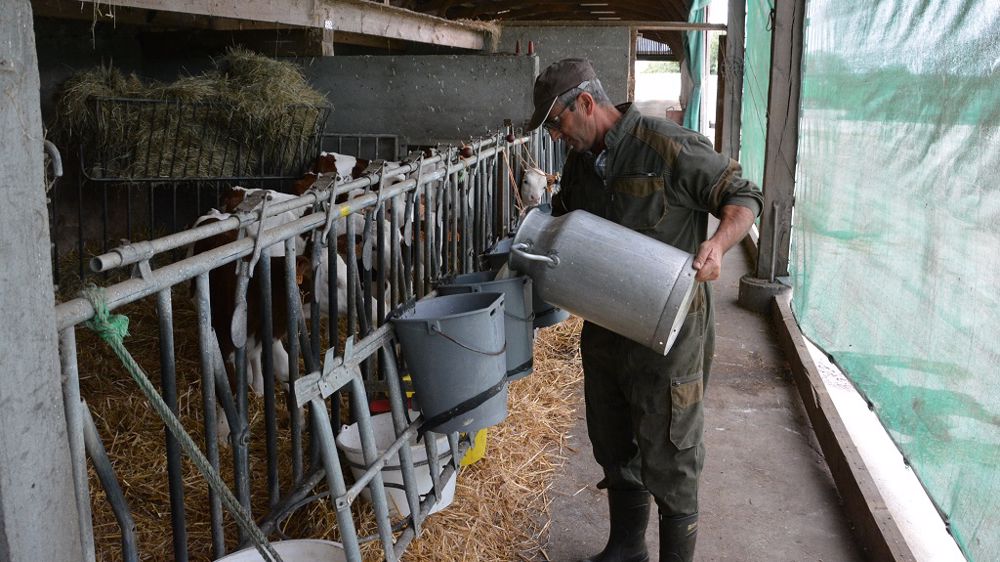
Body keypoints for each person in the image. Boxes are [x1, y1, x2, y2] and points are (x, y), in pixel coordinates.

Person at [525, 58, 763, 562]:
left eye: (556, 123)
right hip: (606, 325)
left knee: (672, 451)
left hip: (669, 328)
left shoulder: (667, 146)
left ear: (585, 103)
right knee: (613, 438)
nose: (555, 136)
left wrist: (719, 244)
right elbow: (565, 221)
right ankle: (626, 547)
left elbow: (742, 195)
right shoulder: (580, 164)